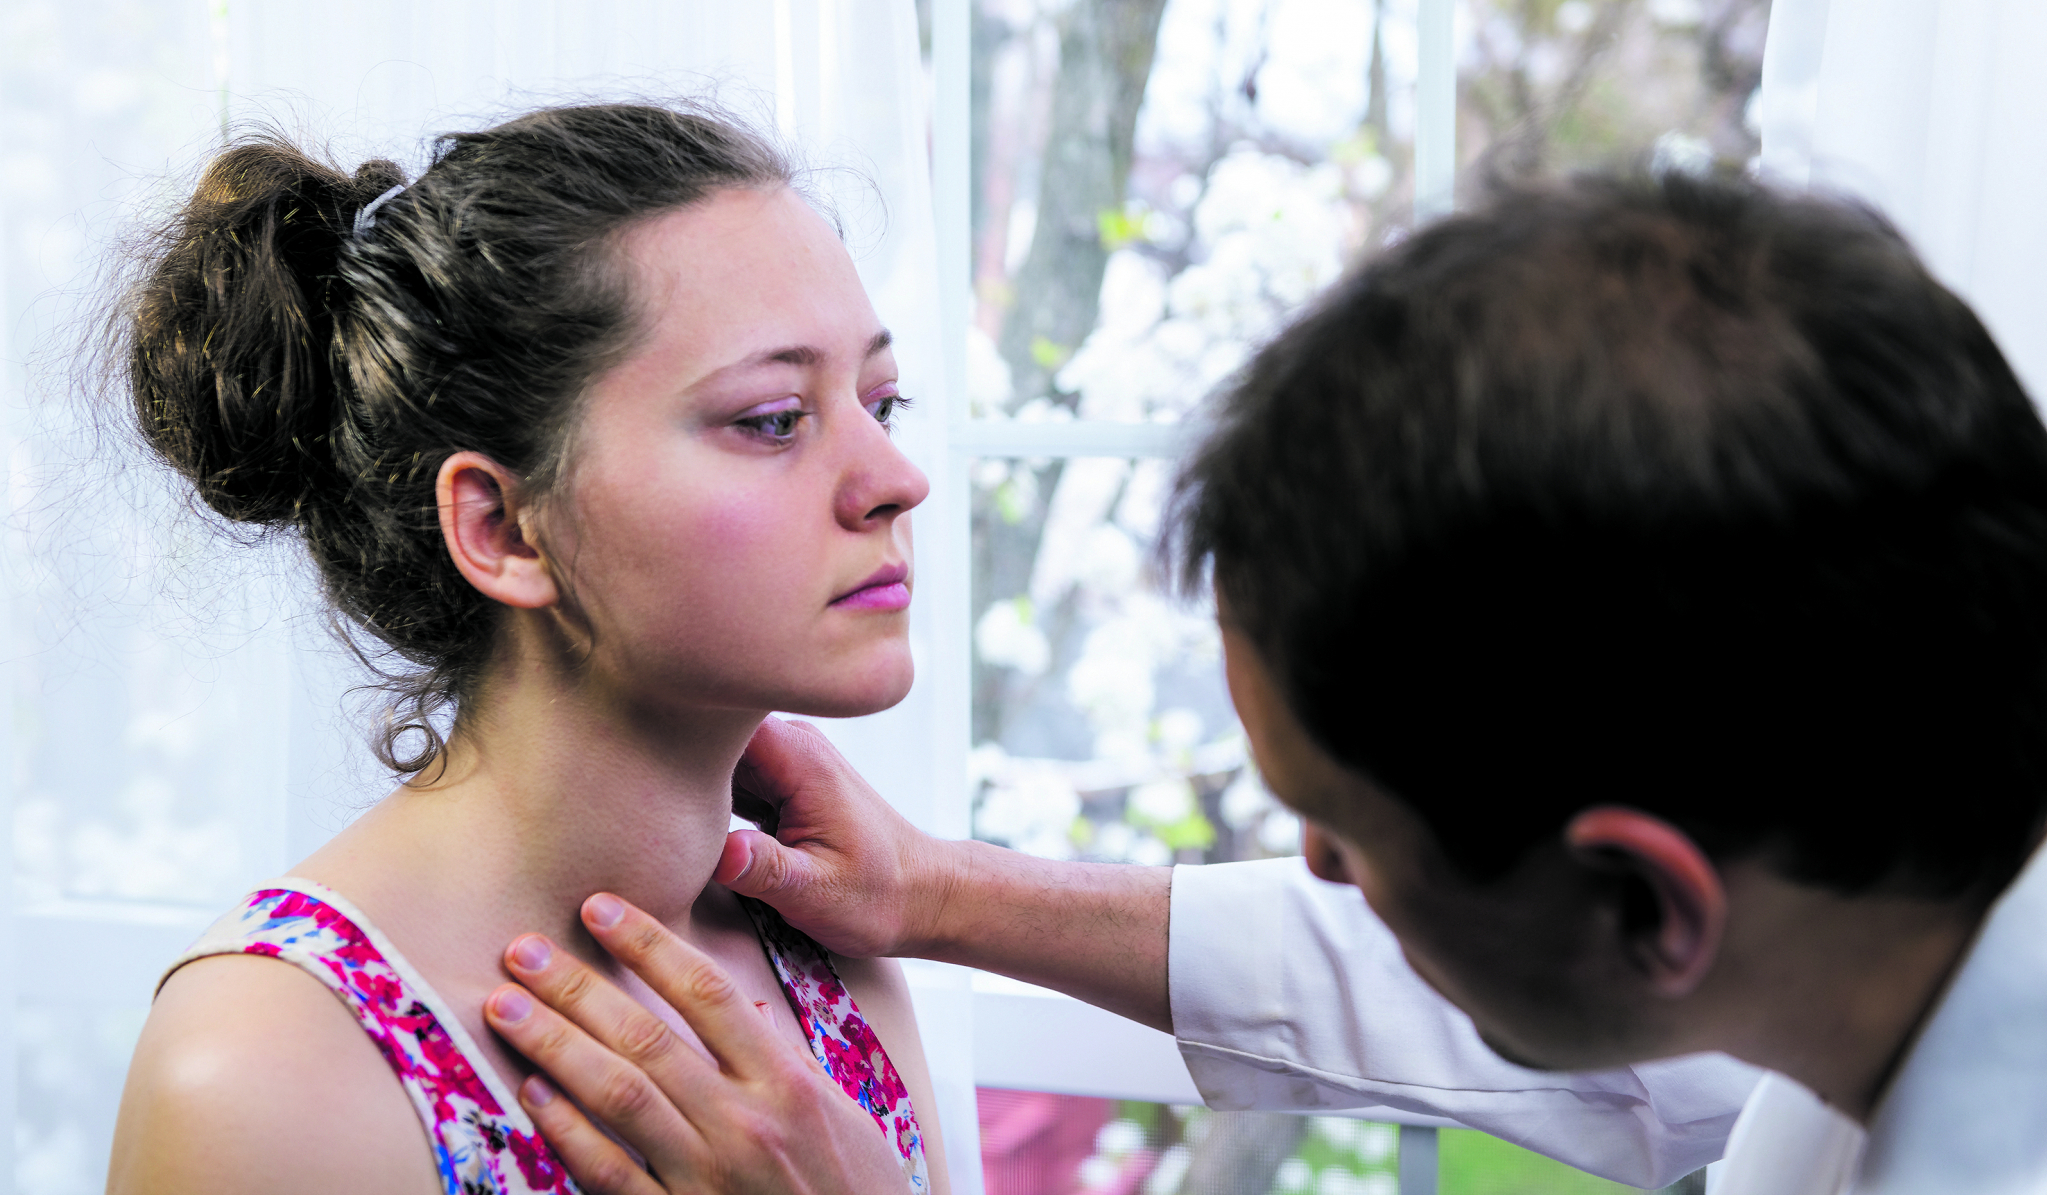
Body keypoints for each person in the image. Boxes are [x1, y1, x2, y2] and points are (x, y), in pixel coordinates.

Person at [485, 173, 2047, 1195]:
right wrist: (943, 895)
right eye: (772, 414)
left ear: (1645, 906)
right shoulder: (1872, 903)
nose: (1319, 876)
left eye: (1344, 834)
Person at [103, 104, 949, 1195]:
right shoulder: (268, 1070)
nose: (896, 478)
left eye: (884, 401)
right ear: (502, 528)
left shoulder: (827, 964)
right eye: (775, 417)